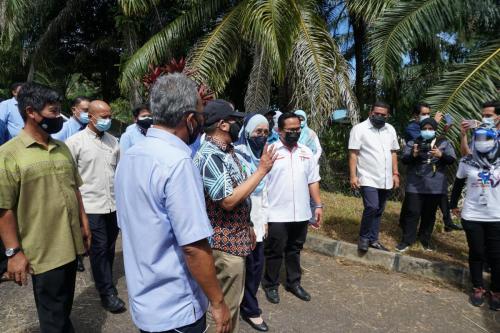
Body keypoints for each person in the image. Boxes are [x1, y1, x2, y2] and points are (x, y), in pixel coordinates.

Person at [115, 74, 231, 333]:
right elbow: (193, 246)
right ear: (190, 119)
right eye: (200, 116)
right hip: (176, 307)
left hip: (145, 301)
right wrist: (218, 301)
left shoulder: (130, 156)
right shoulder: (178, 162)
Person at [0, 82, 91, 332]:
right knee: (52, 315)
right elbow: (3, 208)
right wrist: (13, 252)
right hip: (43, 249)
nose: (58, 117)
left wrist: (84, 224)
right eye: (53, 111)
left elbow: (75, 188)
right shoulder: (9, 154)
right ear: (31, 112)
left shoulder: (62, 148)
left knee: (63, 305)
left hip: (70, 244)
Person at [193, 99, 276, 333]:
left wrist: (248, 223)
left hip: (236, 238)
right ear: (223, 125)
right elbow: (228, 200)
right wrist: (261, 171)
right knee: (225, 310)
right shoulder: (211, 156)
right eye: (235, 121)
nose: (239, 124)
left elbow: (240, 193)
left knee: (233, 304)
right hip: (223, 245)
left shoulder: (228, 152)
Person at [65, 100, 125, 313]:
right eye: (103, 117)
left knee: (109, 247)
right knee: (98, 249)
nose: (108, 120)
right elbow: (70, 179)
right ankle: (106, 291)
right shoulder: (75, 143)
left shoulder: (113, 142)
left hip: (112, 205)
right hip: (91, 206)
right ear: (90, 117)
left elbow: (120, 172)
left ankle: (105, 281)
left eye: (110, 116)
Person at [262, 112, 322, 305]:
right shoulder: (270, 151)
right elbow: (262, 184)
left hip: (302, 213)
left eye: (298, 129)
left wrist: (318, 205)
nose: (295, 133)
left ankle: (293, 283)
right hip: (277, 212)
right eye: (291, 130)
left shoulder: (306, 152)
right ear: (279, 131)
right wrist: (263, 215)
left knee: (295, 249)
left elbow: (313, 180)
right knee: (275, 250)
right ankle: (271, 285)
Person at [450, 126, 500, 310]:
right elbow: (457, 185)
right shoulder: (467, 161)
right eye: (477, 137)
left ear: (495, 139)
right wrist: (453, 205)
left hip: (496, 216)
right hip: (472, 215)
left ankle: (496, 291)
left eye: (486, 138)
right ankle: (478, 287)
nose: (481, 141)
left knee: (496, 256)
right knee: (476, 252)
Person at [396, 118, 456, 252]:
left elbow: (451, 160)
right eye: (424, 129)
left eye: (430, 129)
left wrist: (441, 155)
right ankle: (407, 241)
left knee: (429, 215)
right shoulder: (413, 143)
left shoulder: (443, 143)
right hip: (415, 184)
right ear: (420, 130)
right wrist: (414, 154)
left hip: (434, 186)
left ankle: (424, 241)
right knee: (412, 212)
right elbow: (405, 160)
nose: (427, 131)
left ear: (435, 130)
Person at [234, 114, 270, 332]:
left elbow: (265, 193)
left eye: (266, 132)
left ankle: (249, 307)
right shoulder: (236, 155)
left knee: (256, 267)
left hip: (257, 219)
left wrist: (264, 220)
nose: (262, 136)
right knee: (235, 266)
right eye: (258, 132)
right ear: (247, 133)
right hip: (239, 219)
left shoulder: (264, 157)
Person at [348, 101, 400, 252]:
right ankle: (364, 237)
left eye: (383, 115)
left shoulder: (390, 129)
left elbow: (393, 152)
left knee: (379, 209)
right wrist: (353, 176)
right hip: (367, 176)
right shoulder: (359, 129)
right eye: (376, 113)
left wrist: (395, 173)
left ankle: (373, 239)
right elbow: (353, 153)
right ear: (370, 112)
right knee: (371, 206)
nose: (379, 116)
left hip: (386, 178)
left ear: (387, 115)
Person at [403, 103, 462, 232]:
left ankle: (443, 223)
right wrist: (434, 122)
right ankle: (407, 233)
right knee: (412, 208)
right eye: (424, 114)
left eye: (428, 113)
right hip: (417, 174)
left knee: (432, 205)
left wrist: (443, 132)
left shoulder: (440, 139)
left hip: (433, 176)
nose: (427, 116)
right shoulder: (412, 128)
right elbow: (422, 142)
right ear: (415, 115)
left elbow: (435, 142)